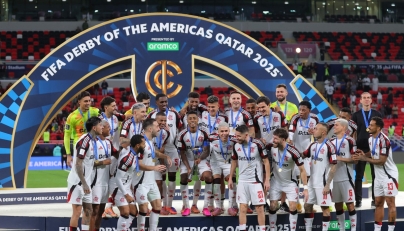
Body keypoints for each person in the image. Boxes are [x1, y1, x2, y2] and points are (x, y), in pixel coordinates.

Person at [353, 117, 398, 231]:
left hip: (389, 176)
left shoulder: (384, 140)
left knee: (390, 203)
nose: (369, 127)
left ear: (378, 128)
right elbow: (373, 153)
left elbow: (382, 161)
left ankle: (391, 229)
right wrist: (364, 154)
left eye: (372, 125)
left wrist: (364, 158)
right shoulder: (370, 138)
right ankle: (377, 229)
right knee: (378, 203)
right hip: (378, 177)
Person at [113, 134, 166, 231]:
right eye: (143, 144)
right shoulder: (127, 158)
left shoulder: (134, 154)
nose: (145, 146)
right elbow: (118, 178)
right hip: (118, 187)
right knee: (125, 213)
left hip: (126, 187)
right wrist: (126, 194)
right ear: (137, 146)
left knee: (133, 212)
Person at [228, 125, 270, 231]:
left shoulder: (258, 144)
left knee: (259, 208)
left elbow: (266, 161)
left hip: (256, 181)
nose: (236, 138)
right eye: (235, 135)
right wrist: (230, 178)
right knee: (243, 208)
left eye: (238, 136)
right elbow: (233, 161)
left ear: (246, 135)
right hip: (242, 181)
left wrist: (267, 180)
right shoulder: (236, 145)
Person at [66, 116, 103, 231]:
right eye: (100, 125)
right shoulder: (84, 141)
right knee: (77, 211)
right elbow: (78, 164)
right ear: (94, 127)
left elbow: (89, 163)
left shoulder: (93, 141)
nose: (102, 127)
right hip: (77, 182)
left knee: (88, 210)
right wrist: (84, 184)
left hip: (86, 182)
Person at [148, 93, 182, 215]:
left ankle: (169, 205)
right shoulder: (151, 115)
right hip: (156, 149)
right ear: (156, 102)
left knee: (172, 176)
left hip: (171, 148)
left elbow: (180, 128)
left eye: (166, 102)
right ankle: (161, 205)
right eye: (161, 102)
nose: (164, 104)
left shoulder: (174, 114)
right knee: (160, 178)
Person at [267, 128, 308, 231]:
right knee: (272, 206)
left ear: (284, 139)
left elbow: (302, 170)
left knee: (293, 207)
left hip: (290, 183)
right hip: (275, 181)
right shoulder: (271, 147)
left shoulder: (293, 152)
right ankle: (272, 229)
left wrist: (305, 188)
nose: (273, 141)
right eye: (273, 138)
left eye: (276, 139)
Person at [135, 118, 172, 231]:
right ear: (150, 129)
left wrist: (165, 156)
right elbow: (139, 164)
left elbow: (153, 152)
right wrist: (154, 168)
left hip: (151, 181)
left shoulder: (150, 141)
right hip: (140, 182)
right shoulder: (140, 143)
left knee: (157, 206)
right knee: (143, 208)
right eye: (156, 126)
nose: (159, 128)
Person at [302, 123, 338, 231]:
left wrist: (327, 185)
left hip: (323, 184)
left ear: (323, 132)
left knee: (325, 209)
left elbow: (333, 167)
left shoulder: (330, 146)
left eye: (316, 129)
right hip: (311, 182)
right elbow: (302, 155)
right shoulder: (312, 145)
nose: (313, 130)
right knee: (307, 206)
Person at [177, 111, 212, 216]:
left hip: (201, 159)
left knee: (209, 178)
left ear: (198, 120)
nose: (192, 120)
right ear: (187, 120)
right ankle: (187, 207)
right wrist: (188, 168)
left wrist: (200, 159)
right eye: (190, 118)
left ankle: (205, 207)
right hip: (187, 159)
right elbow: (182, 152)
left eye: (194, 118)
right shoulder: (182, 134)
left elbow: (206, 150)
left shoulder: (204, 133)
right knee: (183, 178)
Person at [351, 92, 382, 208]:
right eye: (364, 98)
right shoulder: (356, 115)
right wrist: (354, 147)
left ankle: (375, 199)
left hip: (373, 148)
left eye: (368, 97)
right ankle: (358, 200)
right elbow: (353, 132)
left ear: (371, 100)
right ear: (360, 100)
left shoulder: (377, 114)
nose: (366, 100)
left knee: (376, 175)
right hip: (360, 148)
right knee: (358, 176)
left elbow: (380, 131)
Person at [288, 100, 319, 213]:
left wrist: (314, 133)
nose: (300, 112)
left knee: (308, 179)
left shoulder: (314, 119)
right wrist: (290, 140)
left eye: (303, 110)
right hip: (295, 152)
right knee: (295, 178)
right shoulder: (295, 118)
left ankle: (308, 205)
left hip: (307, 153)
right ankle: (296, 204)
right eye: (300, 109)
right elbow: (291, 130)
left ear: (309, 110)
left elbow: (318, 134)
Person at [330, 119, 358, 231]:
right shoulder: (331, 141)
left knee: (350, 204)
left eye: (336, 125)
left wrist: (339, 158)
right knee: (338, 205)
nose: (334, 126)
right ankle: (341, 229)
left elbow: (355, 160)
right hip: (334, 178)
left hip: (347, 178)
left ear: (343, 128)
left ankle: (354, 229)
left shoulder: (350, 141)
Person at [89, 120, 115, 231]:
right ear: (101, 128)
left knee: (100, 212)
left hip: (105, 183)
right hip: (95, 183)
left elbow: (117, 153)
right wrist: (102, 162)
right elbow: (88, 163)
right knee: (94, 212)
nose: (110, 129)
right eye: (108, 127)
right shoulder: (93, 142)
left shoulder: (109, 143)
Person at [64, 91, 100, 167]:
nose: (88, 103)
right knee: (79, 174)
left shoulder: (95, 112)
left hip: (93, 145)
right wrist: (68, 155)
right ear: (79, 102)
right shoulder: (72, 116)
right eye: (85, 101)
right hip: (79, 147)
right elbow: (67, 136)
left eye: (89, 101)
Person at [209, 122, 237, 216]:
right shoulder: (211, 138)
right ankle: (218, 207)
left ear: (229, 131)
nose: (224, 133)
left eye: (226, 131)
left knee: (232, 180)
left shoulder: (234, 139)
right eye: (222, 131)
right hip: (216, 163)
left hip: (228, 163)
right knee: (216, 181)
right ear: (218, 132)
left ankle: (231, 207)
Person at [153, 112, 171, 215]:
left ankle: (158, 207)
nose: (163, 123)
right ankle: (144, 207)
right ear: (156, 121)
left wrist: (163, 164)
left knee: (159, 182)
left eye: (165, 121)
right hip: (145, 161)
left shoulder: (166, 133)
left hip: (156, 161)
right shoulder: (148, 130)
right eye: (161, 120)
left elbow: (162, 148)